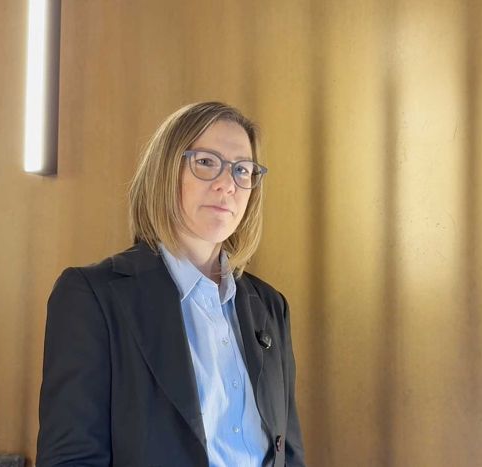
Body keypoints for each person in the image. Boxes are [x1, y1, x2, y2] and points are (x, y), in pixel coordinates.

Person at [36, 102, 305, 467]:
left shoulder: (271, 306)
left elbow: (289, 454)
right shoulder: (93, 296)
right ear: (164, 172)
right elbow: (72, 459)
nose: (228, 184)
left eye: (242, 169)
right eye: (206, 162)